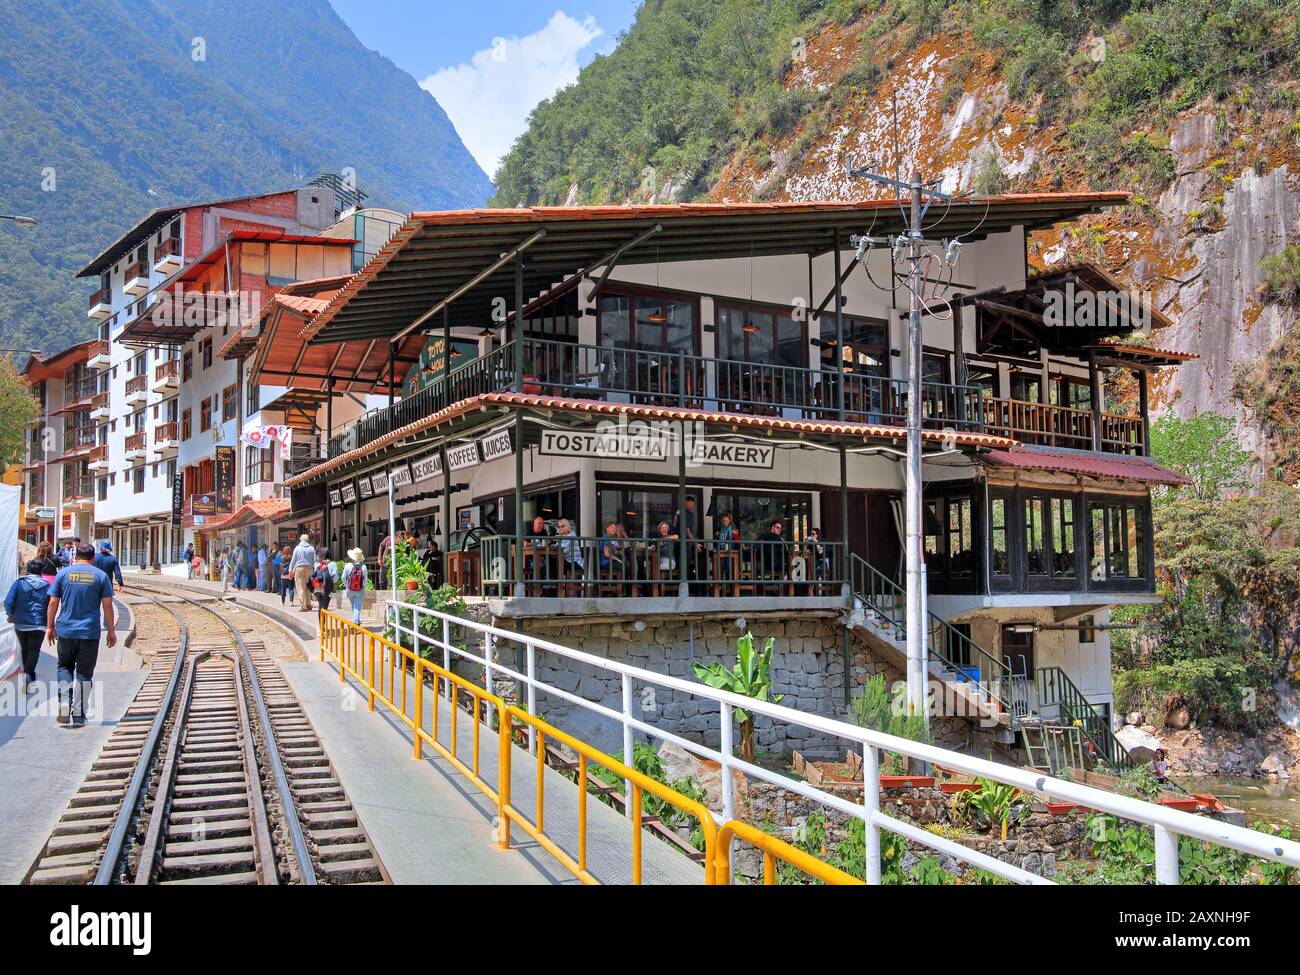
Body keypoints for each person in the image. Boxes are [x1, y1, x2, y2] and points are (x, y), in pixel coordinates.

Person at [46, 543, 116, 728]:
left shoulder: (63, 574)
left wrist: (49, 627)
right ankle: (78, 715)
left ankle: (63, 703)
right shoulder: (100, 576)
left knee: (64, 667)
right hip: (89, 633)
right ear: (93, 558)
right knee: (84, 674)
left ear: (76, 556)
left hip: (66, 630)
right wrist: (111, 630)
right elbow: (107, 605)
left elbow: (53, 601)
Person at [6, 559, 51, 693]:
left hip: (20, 624)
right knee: (34, 651)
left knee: (24, 649)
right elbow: (51, 605)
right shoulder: (47, 586)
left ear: (28, 570)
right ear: (41, 571)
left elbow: (9, 601)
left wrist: (11, 615)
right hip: (39, 625)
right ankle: (28, 673)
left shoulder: (18, 584)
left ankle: (27, 673)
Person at [288, 533, 317, 612]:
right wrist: (316, 571)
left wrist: (290, 571)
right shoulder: (311, 548)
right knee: (308, 586)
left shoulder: (297, 548)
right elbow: (315, 560)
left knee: (300, 587)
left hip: (299, 568)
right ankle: (308, 604)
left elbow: (293, 560)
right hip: (310, 568)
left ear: (301, 540)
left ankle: (303, 606)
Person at [342, 547, 368, 624]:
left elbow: (343, 577)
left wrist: (347, 585)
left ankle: (356, 621)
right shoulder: (364, 567)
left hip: (349, 589)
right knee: (357, 606)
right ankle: (355, 622)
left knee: (354, 606)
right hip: (360, 590)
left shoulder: (348, 565)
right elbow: (365, 580)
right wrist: (362, 586)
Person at [309, 547, 338, 615]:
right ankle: (322, 625)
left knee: (321, 605)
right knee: (324, 608)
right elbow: (335, 578)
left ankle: (321, 624)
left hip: (317, 588)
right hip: (327, 589)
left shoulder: (317, 564)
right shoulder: (332, 564)